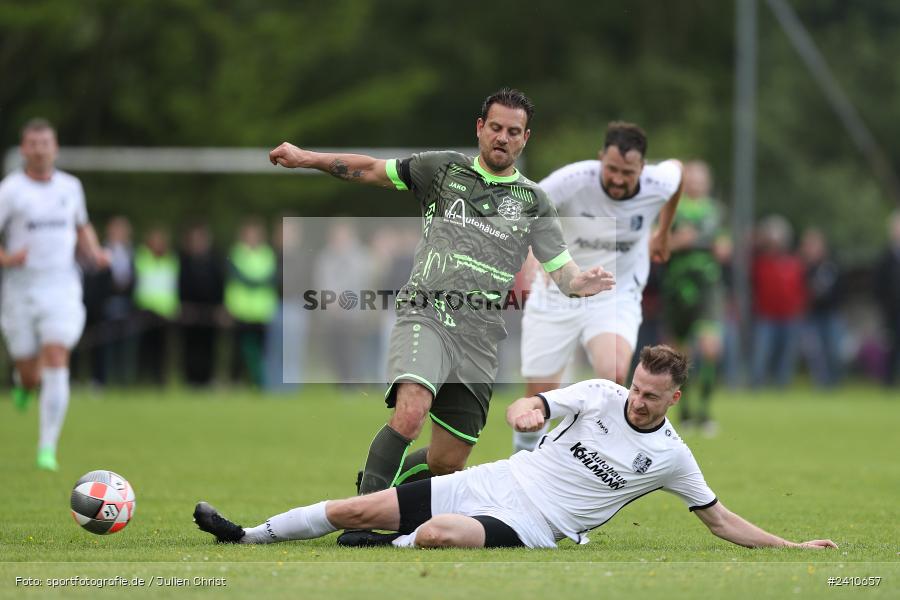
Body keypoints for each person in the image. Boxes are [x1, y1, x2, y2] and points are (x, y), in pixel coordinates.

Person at [267, 88, 614, 546]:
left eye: (514, 132)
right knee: (411, 413)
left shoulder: (534, 202)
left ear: (525, 138)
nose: (503, 138)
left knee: (448, 463)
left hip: (480, 337)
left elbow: (562, 272)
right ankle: (361, 519)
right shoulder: (443, 170)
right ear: (480, 127)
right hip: (426, 313)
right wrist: (306, 158)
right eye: (496, 128)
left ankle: (385, 483)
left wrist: (580, 282)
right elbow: (371, 169)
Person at [194, 345, 836, 552]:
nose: (637, 401)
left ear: (675, 398)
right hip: (498, 478)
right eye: (636, 388)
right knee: (353, 509)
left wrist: (791, 548)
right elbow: (536, 407)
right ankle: (245, 535)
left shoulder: (672, 456)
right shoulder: (600, 393)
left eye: (650, 396)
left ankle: (388, 545)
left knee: (439, 534)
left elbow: (718, 518)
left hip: (534, 523)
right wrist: (528, 410)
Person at [514, 122, 683, 452]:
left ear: (642, 168)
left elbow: (679, 172)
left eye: (627, 173)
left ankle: (584, 455)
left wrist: (663, 232)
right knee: (539, 396)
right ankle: (523, 459)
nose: (618, 179)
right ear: (600, 158)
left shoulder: (658, 183)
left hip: (614, 292)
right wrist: (537, 254)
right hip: (559, 290)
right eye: (612, 169)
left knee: (614, 374)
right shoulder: (572, 180)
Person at [0, 118, 109, 470]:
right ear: (23, 148)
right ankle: (23, 383)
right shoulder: (10, 190)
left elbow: (82, 225)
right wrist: (8, 258)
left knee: (56, 352)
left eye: (45, 143)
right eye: (33, 144)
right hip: (20, 288)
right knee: (30, 373)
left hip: (61, 285)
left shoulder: (70, 187)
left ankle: (47, 448)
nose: (39, 150)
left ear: (55, 147)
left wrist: (94, 251)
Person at [660, 160, 725, 434]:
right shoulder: (672, 209)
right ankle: (685, 412)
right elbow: (657, 245)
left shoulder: (715, 211)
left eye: (701, 179)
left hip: (707, 285)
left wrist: (723, 248)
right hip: (678, 286)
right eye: (692, 179)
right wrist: (677, 242)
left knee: (711, 348)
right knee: (680, 354)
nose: (697, 184)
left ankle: (705, 412)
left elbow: (725, 243)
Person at [750, 215, 807, 388]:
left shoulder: (794, 263)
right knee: (762, 353)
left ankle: (782, 385)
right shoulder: (759, 262)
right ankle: (757, 385)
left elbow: (801, 289)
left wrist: (799, 309)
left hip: (789, 316)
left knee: (787, 355)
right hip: (766, 316)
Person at [224, 217, 278, 387]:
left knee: (261, 350)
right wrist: (256, 281)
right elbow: (239, 278)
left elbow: (271, 278)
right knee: (238, 350)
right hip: (240, 309)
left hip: (262, 310)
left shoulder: (267, 254)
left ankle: (259, 381)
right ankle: (236, 381)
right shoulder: (236, 253)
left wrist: (253, 281)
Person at [178, 222, 224, 386]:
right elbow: (179, 286)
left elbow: (221, 285)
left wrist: (220, 307)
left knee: (209, 346)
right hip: (190, 311)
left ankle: (207, 379)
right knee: (190, 346)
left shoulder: (214, 262)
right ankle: (191, 380)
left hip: (210, 311)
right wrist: (183, 305)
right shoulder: (184, 262)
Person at [133, 226, 179, 385]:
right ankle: (141, 380)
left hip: (165, 310)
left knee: (163, 349)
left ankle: (160, 380)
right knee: (144, 348)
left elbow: (173, 286)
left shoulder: (171, 260)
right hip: (145, 309)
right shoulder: (142, 257)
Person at [874, 211, 900, 386]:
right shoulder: (885, 257)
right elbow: (878, 286)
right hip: (893, 310)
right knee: (892, 345)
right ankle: (889, 381)